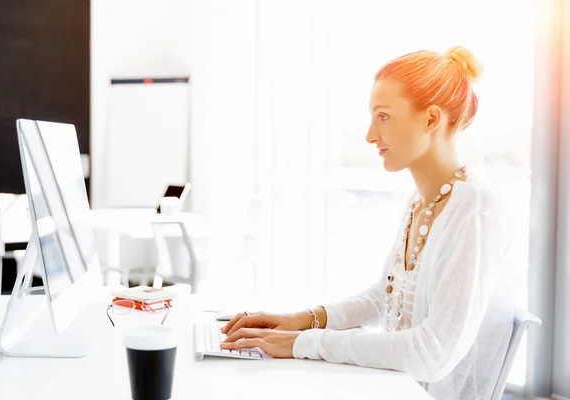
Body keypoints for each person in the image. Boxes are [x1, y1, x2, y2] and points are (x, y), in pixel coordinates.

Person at [220, 46, 516, 400]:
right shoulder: (421, 202)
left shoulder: (477, 209)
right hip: (391, 385)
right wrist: (299, 320)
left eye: (384, 116)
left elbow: (432, 353)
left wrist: (304, 342)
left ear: (431, 119)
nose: (370, 135)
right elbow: (384, 298)